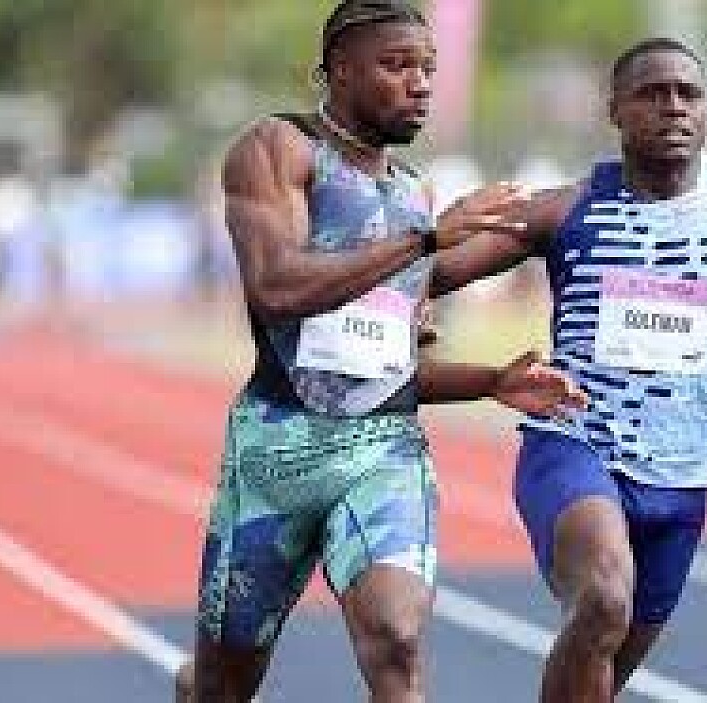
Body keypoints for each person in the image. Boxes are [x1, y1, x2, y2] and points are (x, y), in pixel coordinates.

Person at [178, 2, 587, 701]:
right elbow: (276, 287)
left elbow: (382, 369)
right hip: (275, 453)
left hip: (383, 450)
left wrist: (490, 380)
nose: (419, 83)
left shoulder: (412, 191)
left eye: (427, 67)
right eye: (397, 66)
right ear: (339, 70)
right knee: (223, 684)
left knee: (396, 640)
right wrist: (428, 241)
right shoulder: (279, 148)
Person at [430, 37, 707, 702]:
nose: (674, 107)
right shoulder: (566, 209)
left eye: (689, 94)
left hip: (683, 476)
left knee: (602, 669)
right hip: (574, 444)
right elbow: (427, 275)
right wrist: (418, 268)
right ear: (616, 112)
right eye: (653, 94)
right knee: (603, 600)